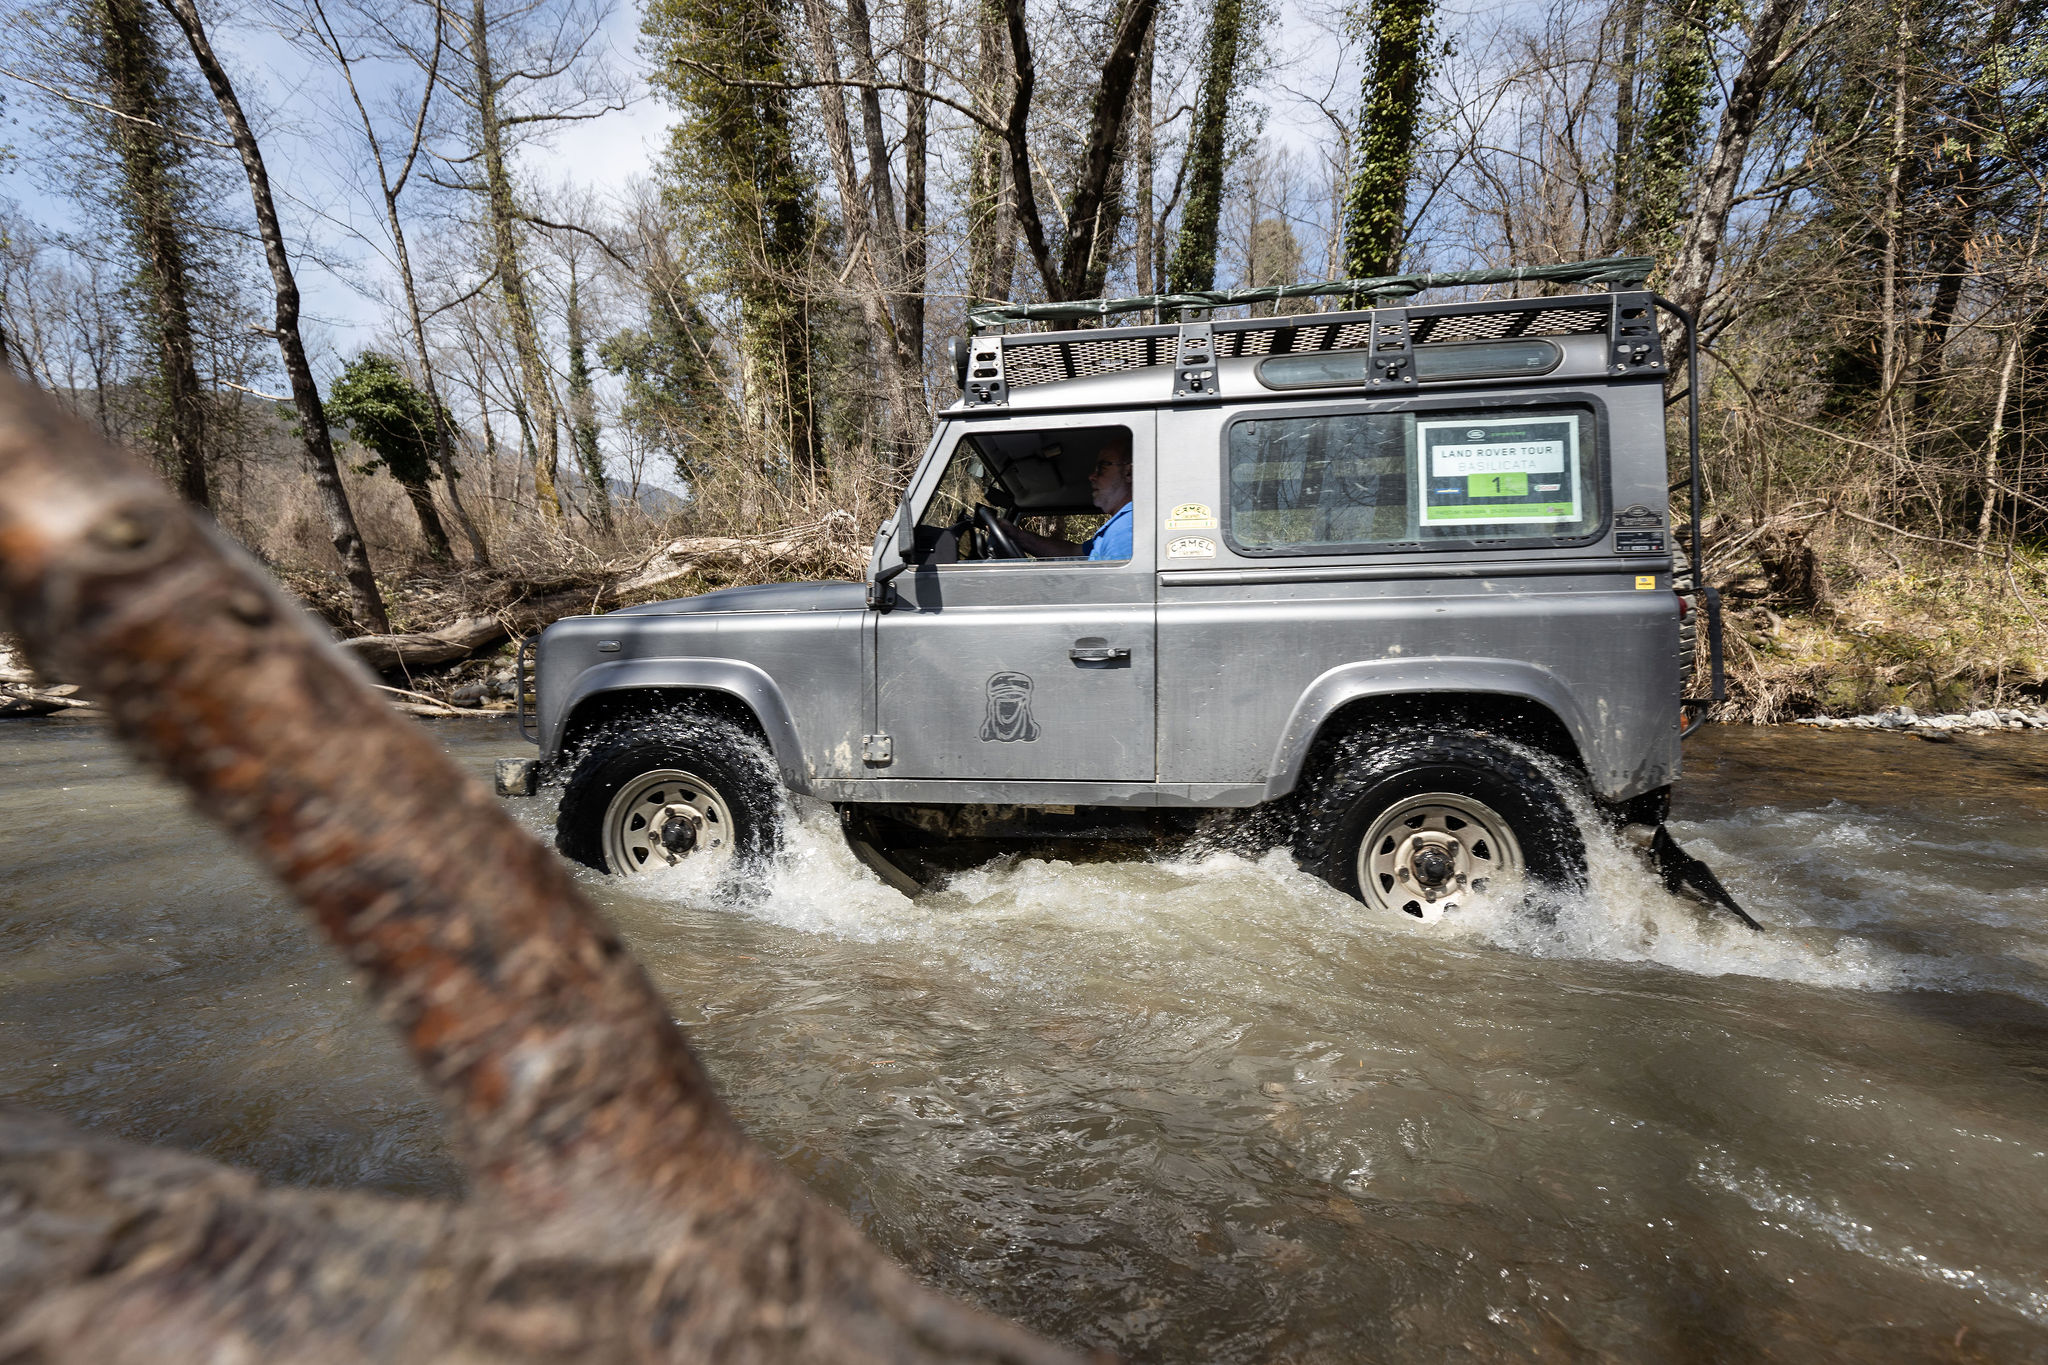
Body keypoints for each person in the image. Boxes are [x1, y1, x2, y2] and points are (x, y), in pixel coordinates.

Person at [993, 437, 1134, 560]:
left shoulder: (1125, 531)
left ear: (1129, 473)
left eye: (1102, 467)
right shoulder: (1117, 528)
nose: (1092, 476)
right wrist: (1017, 535)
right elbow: (1073, 552)